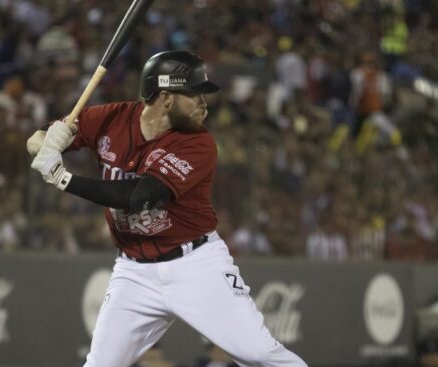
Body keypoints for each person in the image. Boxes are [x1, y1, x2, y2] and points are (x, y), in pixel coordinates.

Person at [29, 50, 307, 367]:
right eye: (195, 95)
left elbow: (139, 197)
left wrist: (62, 178)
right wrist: (49, 142)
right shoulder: (111, 118)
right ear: (166, 97)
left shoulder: (198, 143)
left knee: (260, 355)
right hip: (133, 272)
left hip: (195, 264)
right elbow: (35, 140)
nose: (205, 104)